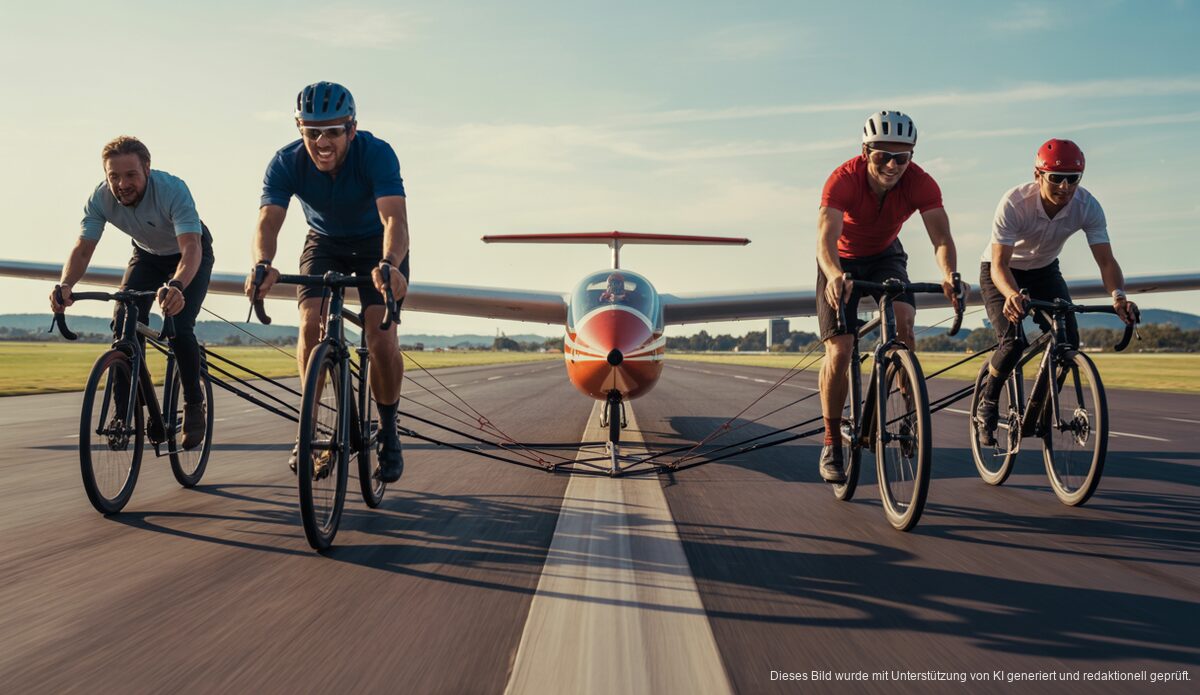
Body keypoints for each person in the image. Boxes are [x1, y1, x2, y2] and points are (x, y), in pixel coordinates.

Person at [245, 81, 409, 483]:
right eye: (311, 131)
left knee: (381, 338)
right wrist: (263, 263)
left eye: (333, 131)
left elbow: (394, 220)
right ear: (299, 129)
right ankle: (310, 430)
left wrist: (390, 264)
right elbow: (268, 221)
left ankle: (388, 430)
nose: (322, 141)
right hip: (324, 242)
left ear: (351, 130)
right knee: (309, 325)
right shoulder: (285, 162)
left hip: (378, 245)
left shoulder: (377, 154)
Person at [815, 111, 963, 483]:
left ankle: (910, 413)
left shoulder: (921, 183)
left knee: (904, 325)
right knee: (841, 349)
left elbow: (941, 238)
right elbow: (825, 238)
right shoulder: (842, 179)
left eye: (903, 157)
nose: (893, 165)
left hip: (884, 255)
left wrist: (949, 275)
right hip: (841, 259)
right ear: (865, 151)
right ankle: (832, 441)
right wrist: (834, 275)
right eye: (883, 155)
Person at [50, 136, 214, 449]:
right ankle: (125, 411)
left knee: (178, 326)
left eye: (130, 175)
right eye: (114, 176)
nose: (122, 184)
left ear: (147, 170)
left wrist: (177, 286)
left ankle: (194, 403)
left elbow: (191, 247)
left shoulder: (172, 189)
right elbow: (83, 248)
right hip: (147, 255)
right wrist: (67, 283)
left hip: (189, 253)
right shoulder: (100, 198)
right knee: (123, 321)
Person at [974, 138, 1137, 443]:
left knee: (1069, 341)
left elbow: (1106, 261)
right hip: (1003, 271)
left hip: (1045, 270)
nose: (1065, 187)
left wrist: (1119, 297)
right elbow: (999, 264)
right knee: (1012, 343)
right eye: (1056, 178)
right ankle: (988, 402)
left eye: (1073, 179)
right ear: (1039, 175)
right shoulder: (1014, 202)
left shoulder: (1087, 206)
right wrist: (1011, 294)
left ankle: (1040, 407)